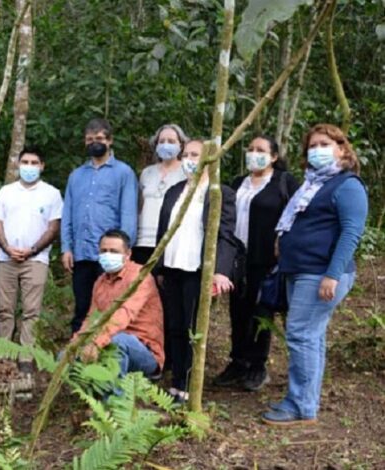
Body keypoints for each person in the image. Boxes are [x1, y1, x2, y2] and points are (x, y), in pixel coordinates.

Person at [262, 124, 367, 426]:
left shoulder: (347, 185)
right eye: (312, 145)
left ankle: (300, 405)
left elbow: (351, 232)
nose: (316, 149)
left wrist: (332, 275)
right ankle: (306, 401)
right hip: (301, 270)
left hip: (321, 272)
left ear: (342, 149)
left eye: (324, 143)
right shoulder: (312, 185)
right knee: (312, 336)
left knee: (301, 334)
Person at [154, 139, 238, 403]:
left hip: (197, 271)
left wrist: (221, 271)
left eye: (195, 154)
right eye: (186, 154)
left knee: (193, 329)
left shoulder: (218, 193)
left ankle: (190, 384)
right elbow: (163, 231)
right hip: (173, 268)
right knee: (175, 327)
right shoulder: (174, 191)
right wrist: (158, 267)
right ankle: (177, 381)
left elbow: (226, 235)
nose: (190, 159)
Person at [213, 136, 299, 392]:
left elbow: (296, 216)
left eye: (260, 150)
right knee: (237, 310)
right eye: (250, 149)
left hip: (267, 260)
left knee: (261, 311)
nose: (254, 154)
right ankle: (238, 361)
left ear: (273, 156)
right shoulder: (239, 183)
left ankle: (257, 365)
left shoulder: (284, 183)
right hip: (237, 260)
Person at [0, 147, 63, 374]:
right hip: (6, 259)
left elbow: (53, 227)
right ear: (18, 164)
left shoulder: (51, 193)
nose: (29, 167)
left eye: (34, 162)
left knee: (31, 311)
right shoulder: (7, 192)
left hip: (36, 260)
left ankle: (26, 357)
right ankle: (2, 355)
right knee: (4, 310)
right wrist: (8, 248)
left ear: (42, 166)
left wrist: (31, 250)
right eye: (25, 162)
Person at [61, 118, 139, 334]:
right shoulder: (76, 176)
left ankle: (106, 357)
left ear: (110, 141)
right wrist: (66, 247)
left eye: (99, 139)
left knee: (109, 307)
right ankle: (75, 355)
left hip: (110, 255)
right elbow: (67, 213)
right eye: (89, 139)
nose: (94, 143)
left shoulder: (123, 173)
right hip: (82, 253)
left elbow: (128, 214)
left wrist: (124, 251)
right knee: (82, 306)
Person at [75, 230, 164, 379]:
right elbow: (91, 318)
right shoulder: (100, 282)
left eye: (114, 251)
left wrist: (96, 343)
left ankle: (114, 399)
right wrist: (76, 345)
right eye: (104, 251)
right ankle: (88, 395)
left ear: (128, 254)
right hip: (107, 339)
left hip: (144, 350)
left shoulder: (140, 277)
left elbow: (124, 314)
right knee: (65, 356)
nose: (108, 255)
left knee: (117, 342)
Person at [132, 124, 188, 265]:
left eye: (171, 141)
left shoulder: (186, 172)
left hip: (172, 239)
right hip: (143, 241)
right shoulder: (147, 173)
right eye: (161, 141)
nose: (165, 145)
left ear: (181, 145)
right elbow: (139, 205)